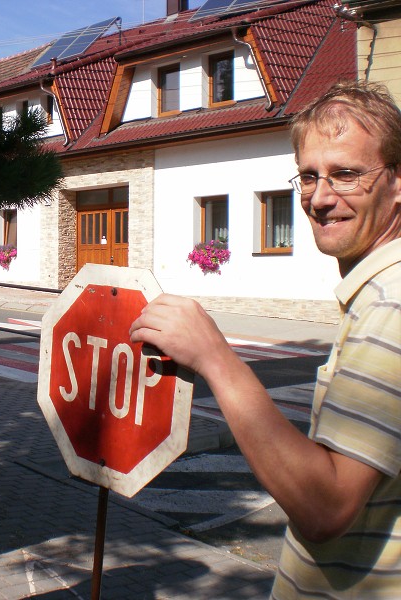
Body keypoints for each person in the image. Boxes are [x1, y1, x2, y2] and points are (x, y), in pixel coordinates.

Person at [130, 80, 401, 598]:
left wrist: (216, 357)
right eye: (308, 176)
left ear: (396, 180)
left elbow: (326, 507)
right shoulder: (377, 294)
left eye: (346, 174)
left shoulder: (391, 304)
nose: (320, 198)